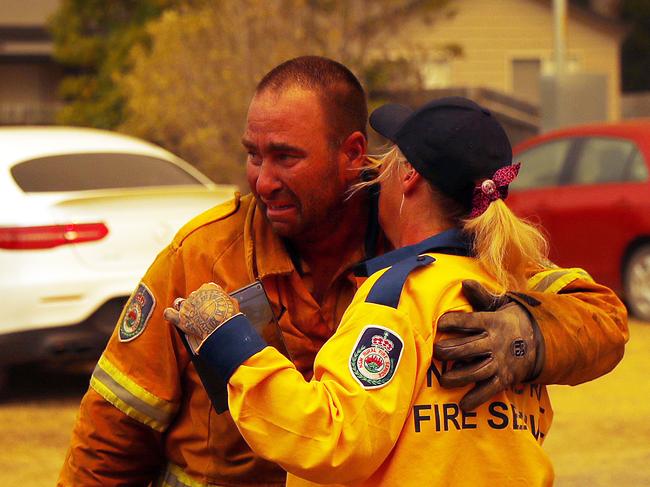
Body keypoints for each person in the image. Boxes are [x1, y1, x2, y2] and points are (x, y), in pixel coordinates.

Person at [58, 57, 628, 487]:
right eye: (253, 154)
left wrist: (529, 336)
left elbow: (600, 318)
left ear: (354, 153)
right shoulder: (204, 254)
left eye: (286, 156)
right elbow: (117, 423)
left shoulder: (458, 252)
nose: (262, 180)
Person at [167, 97, 568, 485]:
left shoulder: (401, 292)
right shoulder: (512, 294)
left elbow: (332, 438)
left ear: (409, 175)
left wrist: (231, 345)